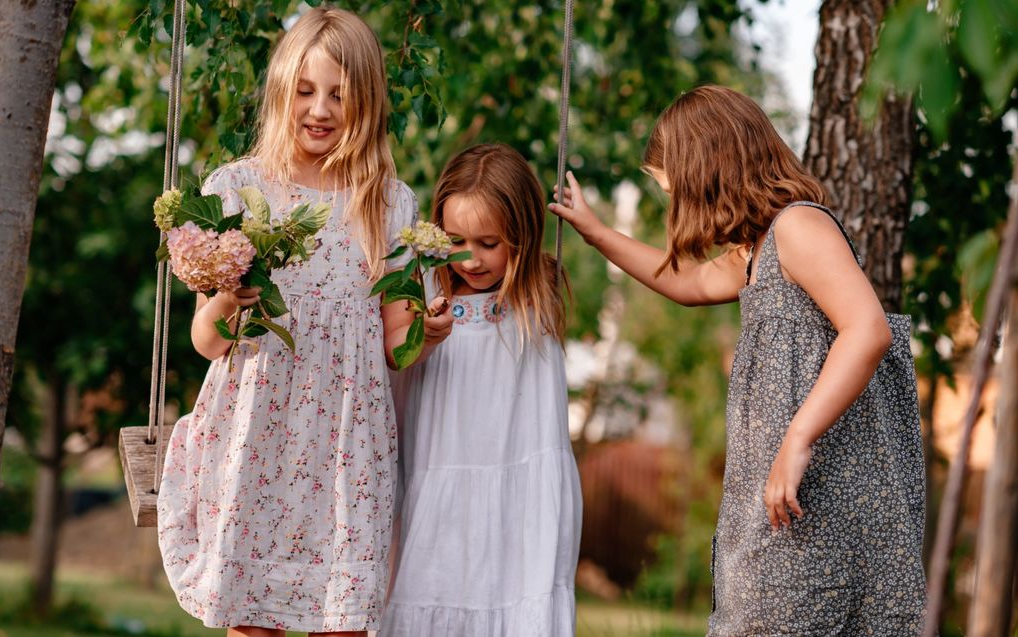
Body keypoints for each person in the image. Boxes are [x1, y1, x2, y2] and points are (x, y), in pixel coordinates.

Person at [550, 85, 926, 635]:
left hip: (829, 489)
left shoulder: (800, 227)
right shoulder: (755, 250)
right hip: (790, 496)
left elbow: (866, 330)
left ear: (707, 171)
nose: (673, 202)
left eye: (672, 187)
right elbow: (688, 282)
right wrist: (599, 234)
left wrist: (796, 439)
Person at [157, 7, 452, 636]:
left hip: (347, 447)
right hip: (258, 434)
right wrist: (223, 306)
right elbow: (206, 343)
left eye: (339, 96)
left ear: (366, 101)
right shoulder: (238, 191)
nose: (320, 110)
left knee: (341, 620)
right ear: (282, 93)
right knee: (254, 618)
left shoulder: (386, 203)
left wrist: (428, 332)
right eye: (306, 91)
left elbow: (398, 342)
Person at [379, 144, 582, 636]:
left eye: (490, 242)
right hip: (438, 489)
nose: (471, 258)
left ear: (522, 236)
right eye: (456, 240)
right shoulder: (425, 294)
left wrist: (591, 228)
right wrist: (424, 334)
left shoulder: (536, 296)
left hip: (518, 501)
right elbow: (393, 356)